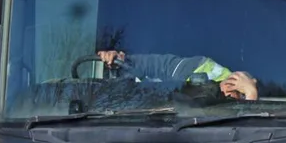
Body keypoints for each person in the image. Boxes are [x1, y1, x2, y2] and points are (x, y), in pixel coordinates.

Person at [96, 50, 259, 100]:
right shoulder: (199, 69)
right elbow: (157, 66)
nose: (227, 91)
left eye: (236, 93)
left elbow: (247, 126)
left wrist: (251, 93)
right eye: (230, 83)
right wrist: (123, 61)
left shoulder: (229, 115)